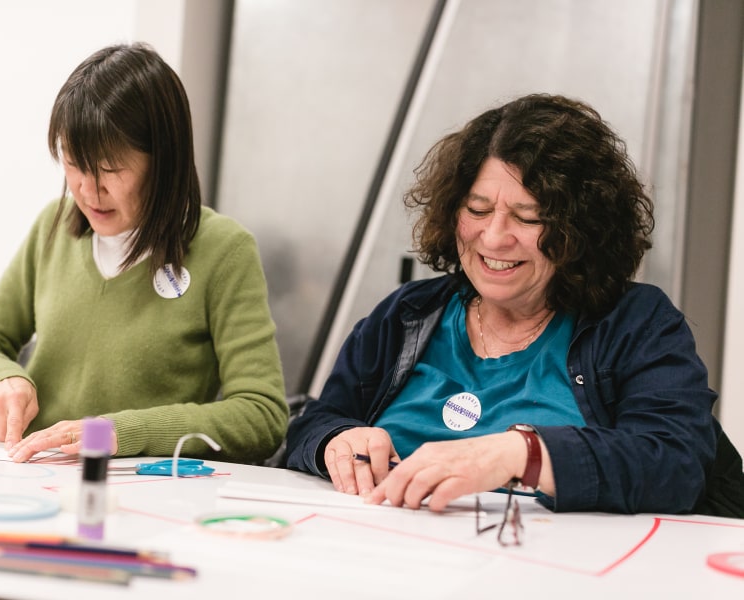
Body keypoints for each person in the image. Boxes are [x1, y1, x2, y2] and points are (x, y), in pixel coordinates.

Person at [285, 93, 744, 518]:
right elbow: (314, 423)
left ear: (580, 230)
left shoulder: (635, 323)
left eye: (528, 217)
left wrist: (521, 455)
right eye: (478, 210)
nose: (494, 237)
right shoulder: (406, 315)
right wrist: (336, 440)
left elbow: (677, 462)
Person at [0, 42, 288, 464]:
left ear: (163, 161)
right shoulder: (52, 228)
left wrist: (117, 433)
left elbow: (262, 414)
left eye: (110, 169)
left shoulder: (224, 250)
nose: (89, 191)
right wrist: (1, 378)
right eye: (73, 164)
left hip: (141, 491)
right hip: (30, 473)